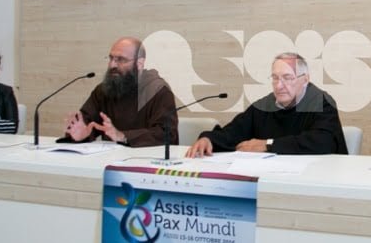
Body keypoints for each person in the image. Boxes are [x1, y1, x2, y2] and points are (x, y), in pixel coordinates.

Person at [186, 52, 347, 157]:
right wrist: (209, 139)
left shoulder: (321, 102)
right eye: (275, 78)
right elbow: (233, 132)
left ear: (305, 80)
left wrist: (268, 145)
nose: (279, 85)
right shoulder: (264, 106)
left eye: (287, 78)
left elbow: (323, 142)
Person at [61, 37, 178, 147]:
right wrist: (80, 135)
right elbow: (87, 123)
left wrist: (122, 136)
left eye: (121, 60)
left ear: (139, 64)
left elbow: (167, 134)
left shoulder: (158, 90)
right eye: (111, 58)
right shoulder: (104, 90)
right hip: (108, 157)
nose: (112, 65)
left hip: (147, 158)